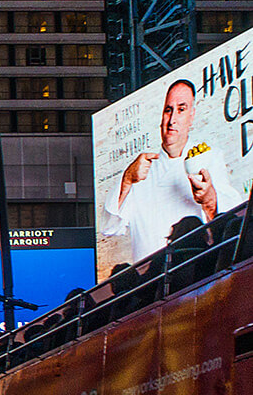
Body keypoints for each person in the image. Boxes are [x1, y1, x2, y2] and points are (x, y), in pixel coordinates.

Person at [102, 79, 247, 264]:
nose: (172, 120)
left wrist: (209, 199)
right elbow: (109, 227)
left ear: (192, 116)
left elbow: (233, 222)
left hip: (195, 273)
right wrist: (127, 179)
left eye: (181, 109)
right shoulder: (140, 170)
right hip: (150, 278)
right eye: (168, 110)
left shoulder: (210, 157)